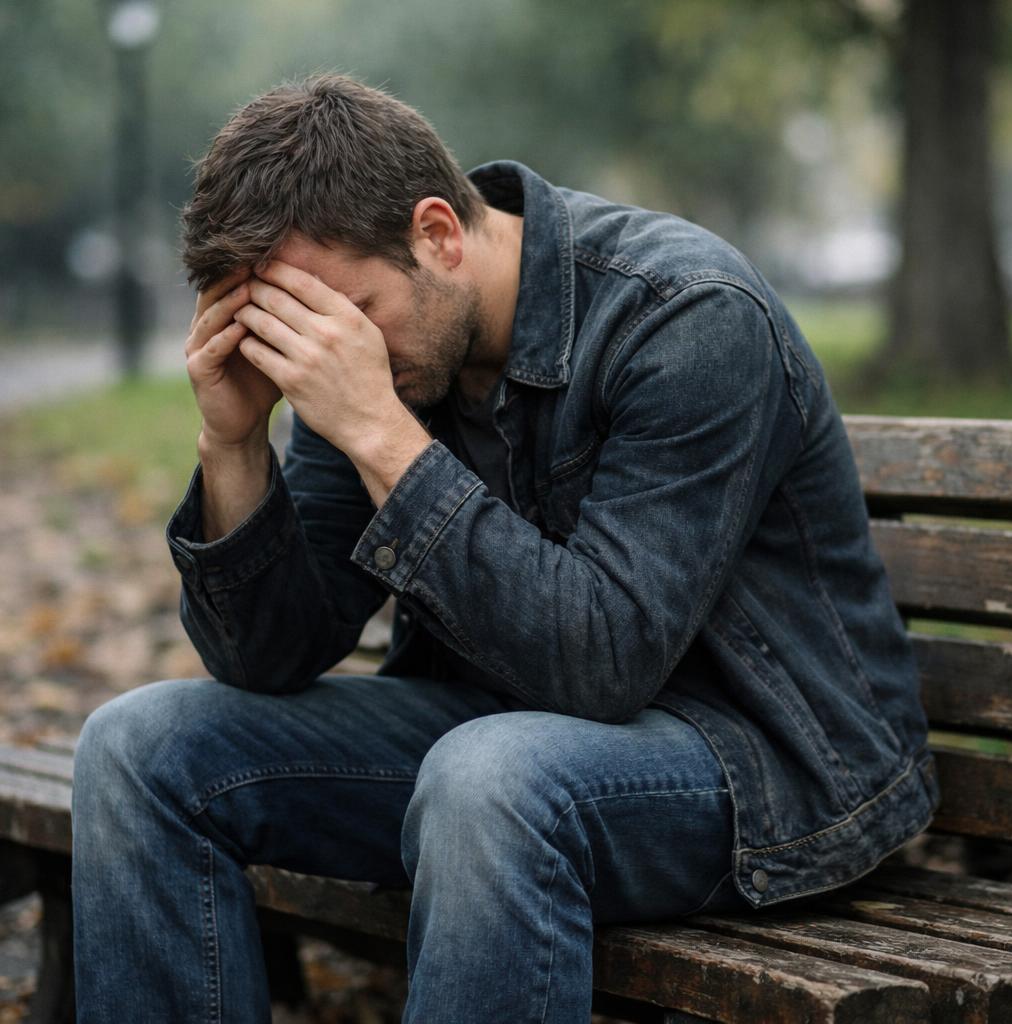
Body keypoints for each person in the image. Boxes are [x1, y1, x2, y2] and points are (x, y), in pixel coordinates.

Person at [71, 74, 940, 1023]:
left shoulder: (688, 315)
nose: (328, 354)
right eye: (300, 330)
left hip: (761, 764)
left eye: (347, 315)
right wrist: (233, 446)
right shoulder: (377, 359)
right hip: (494, 743)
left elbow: (606, 663)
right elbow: (268, 658)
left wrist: (382, 437)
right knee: (136, 747)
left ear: (438, 234)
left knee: (491, 779)